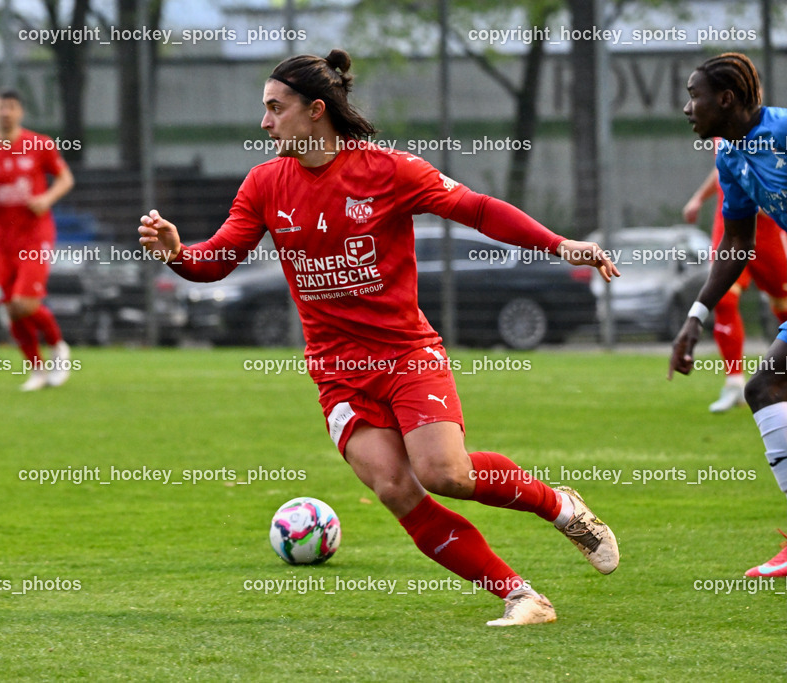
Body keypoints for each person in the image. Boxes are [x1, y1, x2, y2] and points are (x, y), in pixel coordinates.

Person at [140, 49, 621, 626]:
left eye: (275, 108)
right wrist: (176, 253)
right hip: (337, 372)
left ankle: (561, 506)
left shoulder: (388, 170)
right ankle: (521, 597)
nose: (264, 123)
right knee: (396, 486)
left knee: (447, 475)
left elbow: (479, 210)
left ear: (315, 111)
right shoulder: (265, 184)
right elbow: (215, 261)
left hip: (406, 355)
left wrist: (560, 244)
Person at [670, 52, 787, 578]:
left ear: (726, 99)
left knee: (766, 387)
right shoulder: (730, 159)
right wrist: (696, 315)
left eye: (694, 95)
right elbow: (737, 243)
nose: (687, 108)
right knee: (765, 389)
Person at [0, 89, 75, 391]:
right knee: (9, 308)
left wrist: (47, 198)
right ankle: (37, 370)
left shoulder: (40, 144)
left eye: (11, 107)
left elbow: (65, 178)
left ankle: (58, 348)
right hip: (3, 239)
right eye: (0, 107)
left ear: (20, 112)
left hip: (35, 235)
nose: (5, 112)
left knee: (25, 302)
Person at [681, 155, 787, 413]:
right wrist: (699, 197)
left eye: (694, 109)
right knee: (724, 300)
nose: (689, 112)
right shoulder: (719, 128)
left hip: (767, 231)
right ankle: (734, 382)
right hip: (728, 227)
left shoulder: (767, 128)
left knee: (783, 305)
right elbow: (723, 166)